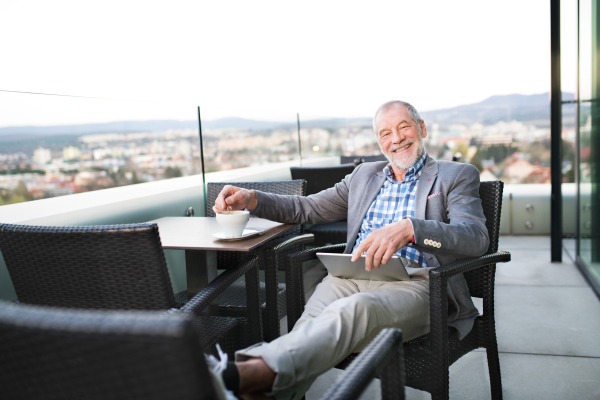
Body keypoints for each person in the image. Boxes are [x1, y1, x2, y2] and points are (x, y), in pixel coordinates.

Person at [212, 100, 489, 400]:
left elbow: (475, 237)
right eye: (385, 133)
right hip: (349, 275)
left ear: (421, 129)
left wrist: (412, 229)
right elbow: (307, 207)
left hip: (418, 284)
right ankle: (248, 387)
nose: (396, 139)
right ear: (379, 141)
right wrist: (253, 199)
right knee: (308, 328)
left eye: (403, 127)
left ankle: (234, 376)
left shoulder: (456, 175)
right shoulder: (363, 176)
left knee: (350, 312)